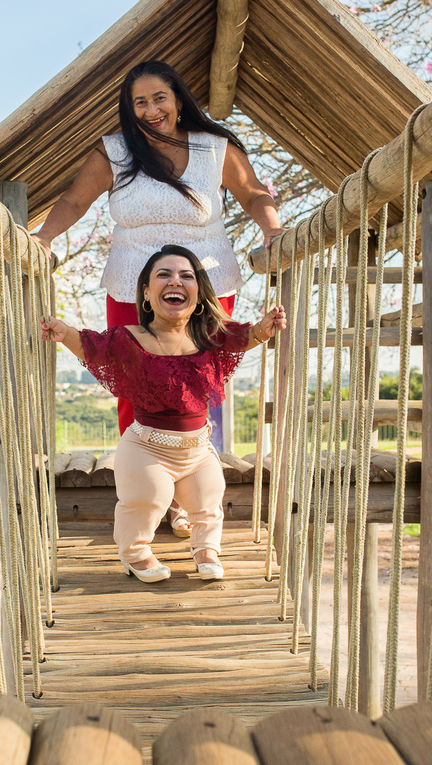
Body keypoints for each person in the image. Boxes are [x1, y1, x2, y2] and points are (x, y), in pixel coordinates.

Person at [31, 60, 287, 536]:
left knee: (196, 386)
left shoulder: (214, 148)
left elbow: (254, 194)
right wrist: (44, 236)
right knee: (134, 385)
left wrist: (273, 230)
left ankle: (189, 496)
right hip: (133, 285)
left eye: (159, 98)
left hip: (204, 284)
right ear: (129, 109)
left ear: (178, 99)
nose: (151, 110)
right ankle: (144, 492)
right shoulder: (114, 151)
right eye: (140, 102)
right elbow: (72, 201)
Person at [40, 246, 286, 582]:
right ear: (146, 293)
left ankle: (206, 549)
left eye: (186, 276)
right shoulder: (130, 338)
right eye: (164, 275)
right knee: (146, 499)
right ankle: (135, 553)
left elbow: (245, 337)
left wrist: (264, 327)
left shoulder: (210, 336)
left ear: (198, 293)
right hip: (146, 449)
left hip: (197, 451)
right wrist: (63, 331)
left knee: (209, 497)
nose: (176, 281)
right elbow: (91, 345)